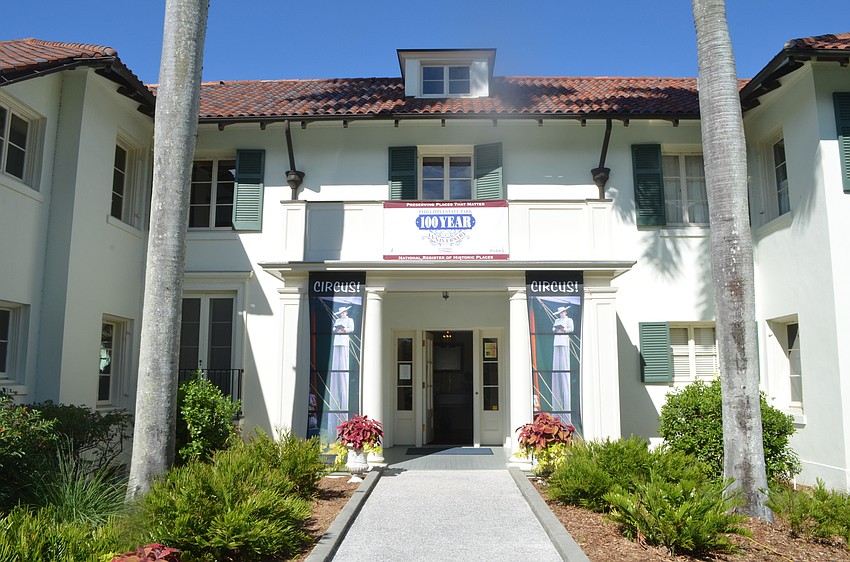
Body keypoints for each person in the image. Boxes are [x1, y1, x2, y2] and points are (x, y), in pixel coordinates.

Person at [327, 306, 354, 431]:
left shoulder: (350, 320)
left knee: (343, 365)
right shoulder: (337, 321)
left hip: (344, 342)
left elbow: (351, 329)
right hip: (337, 341)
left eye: (343, 312)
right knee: (336, 363)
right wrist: (338, 329)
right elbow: (333, 329)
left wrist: (344, 329)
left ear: (346, 312)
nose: (342, 314)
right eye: (341, 312)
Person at [551, 305, 573, 416]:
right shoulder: (557, 320)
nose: (561, 314)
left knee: (564, 366)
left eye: (562, 312)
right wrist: (556, 328)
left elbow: (571, 329)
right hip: (557, 341)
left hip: (564, 342)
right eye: (560, 313)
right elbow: (553, 328)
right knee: (557, 364)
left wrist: (564, 329)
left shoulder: (569, 320)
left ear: (565, 312)